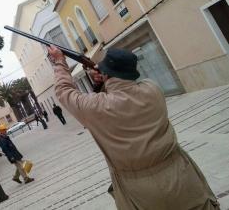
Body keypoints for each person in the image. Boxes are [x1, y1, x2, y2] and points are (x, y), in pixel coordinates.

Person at [47, 45, 219, 210]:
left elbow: (64, 91)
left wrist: (59, 62)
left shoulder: (97, 107)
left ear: (106, 73)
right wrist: (105, 81)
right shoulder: (153, 89)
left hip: (139, 191)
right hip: (182, 174)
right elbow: (125, 93)